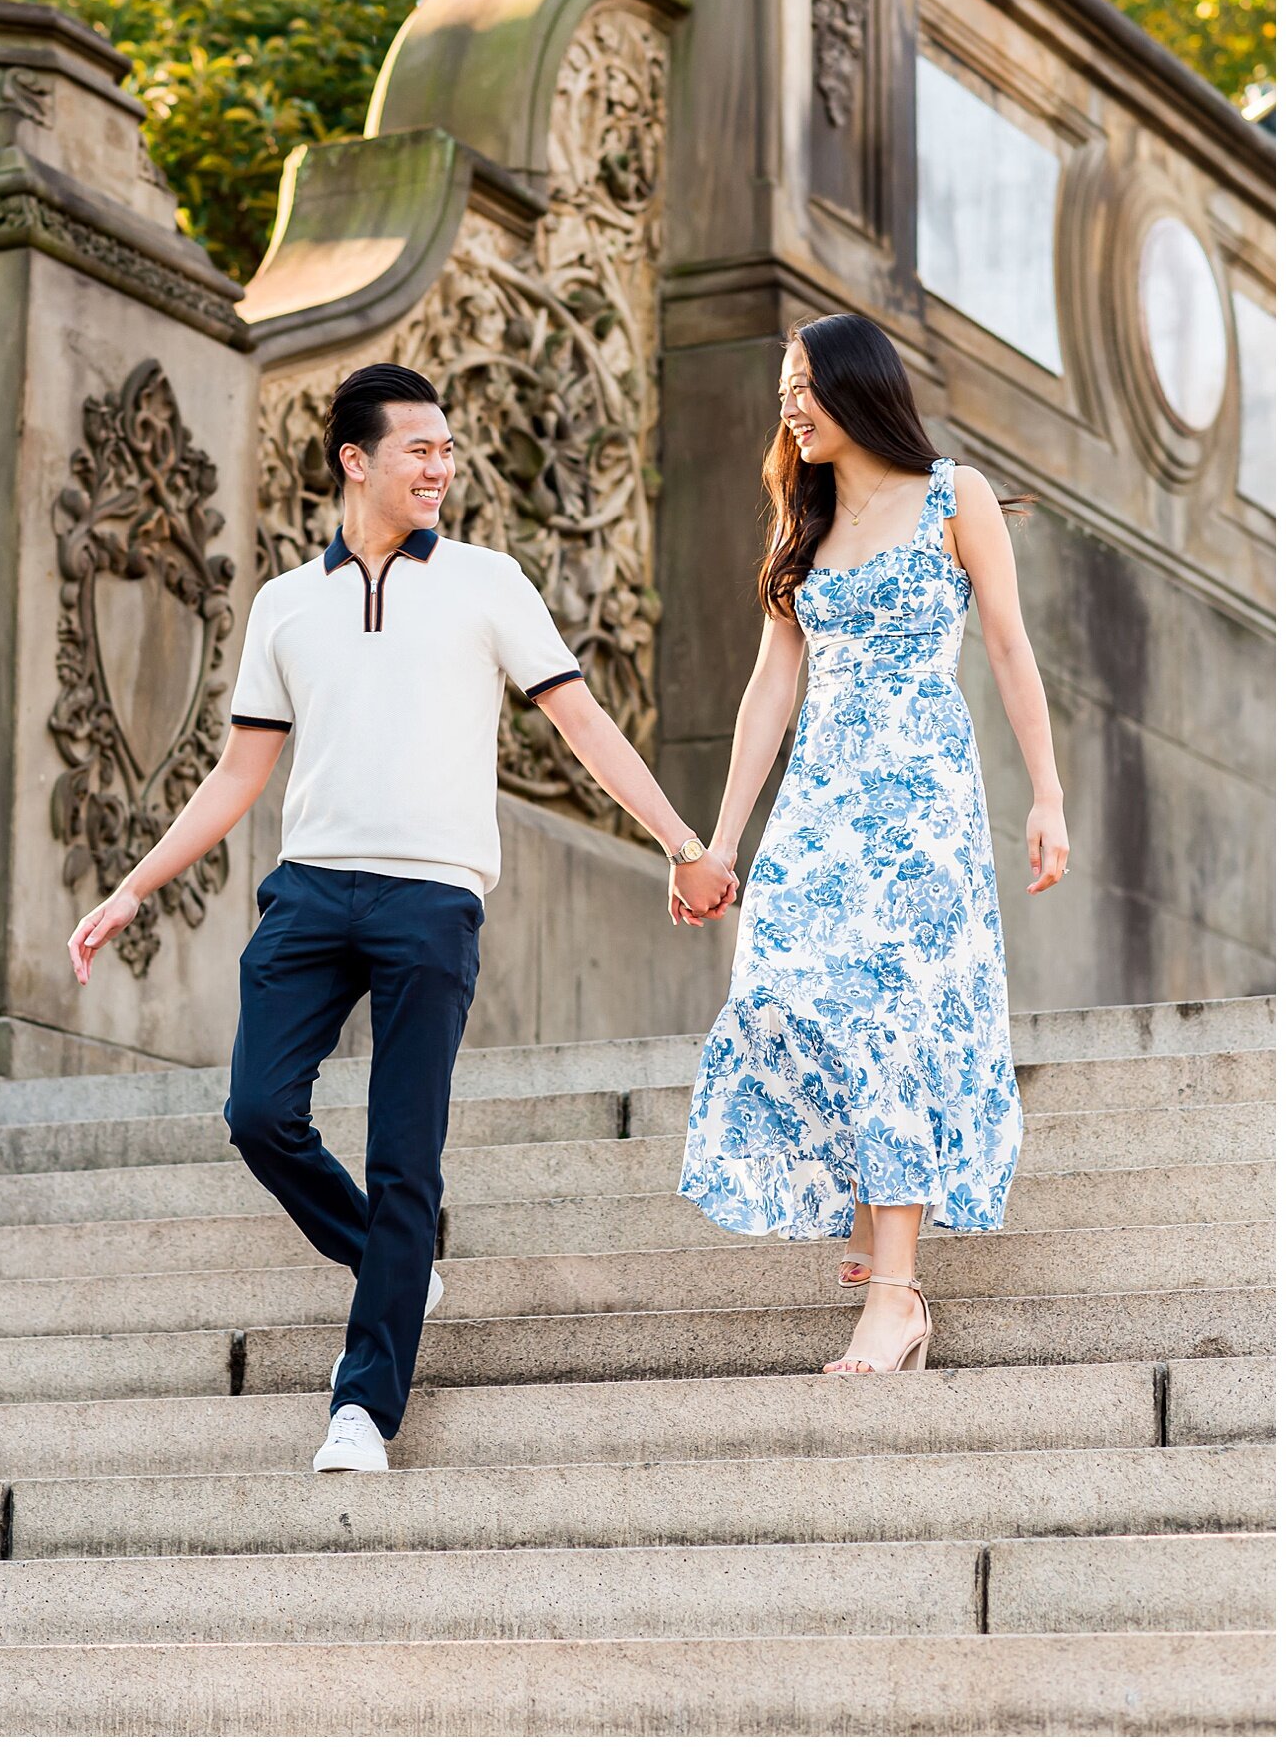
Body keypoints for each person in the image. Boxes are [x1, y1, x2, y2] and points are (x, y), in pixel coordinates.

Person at [68, 362, 736, 1469]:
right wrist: (134, 884)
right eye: (419, 449)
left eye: (447, 449)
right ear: (355, 460)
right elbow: (238, 774)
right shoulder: (287, 602)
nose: (442, 466)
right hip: (310, 890)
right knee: (257, 1111)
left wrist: (684, 842)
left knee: (403, 1151)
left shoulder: (488, 582)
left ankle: (364, 1406)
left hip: (432, 900)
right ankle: (399, 1256)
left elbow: (584, 726)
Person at [676, 312, 1068, 1376]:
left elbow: (1008, 645)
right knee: (780, 985)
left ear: (857, 384)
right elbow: (770, 689)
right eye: (782, 389)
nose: (790, 404)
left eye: (803, 382)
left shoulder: (955, 494)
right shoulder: (800, 522)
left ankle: (895, 1294)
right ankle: (865, 1196)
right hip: (818, 797)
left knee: (894, 1009)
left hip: (919, 794)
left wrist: (1046, 794)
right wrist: (719, 842)